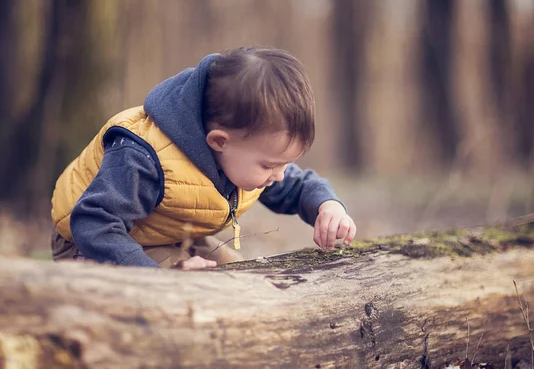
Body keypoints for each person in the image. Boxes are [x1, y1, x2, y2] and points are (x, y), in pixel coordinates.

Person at [50, 47, 356, 270]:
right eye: (270, 165)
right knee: (195, 290)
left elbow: (296, 185)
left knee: (235, 272)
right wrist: (160, 280)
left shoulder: (243, 154)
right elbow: (94, 222)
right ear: (219, 141)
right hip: (93, 242)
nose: (279, 175)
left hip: (162, 235)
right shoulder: (143, 157)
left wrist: (327, 206)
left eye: (285, 163)